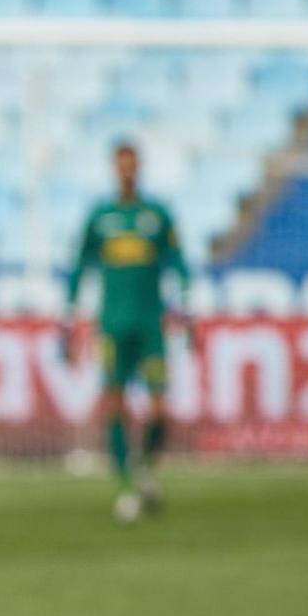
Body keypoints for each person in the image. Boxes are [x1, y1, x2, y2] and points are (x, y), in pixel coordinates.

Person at [60, 140, 190, 523]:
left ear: (140, 167)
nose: (127, 171)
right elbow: (80, 266)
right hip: (114, 325)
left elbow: (179, 264)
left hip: (151, 326)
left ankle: (143, 469)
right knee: (113, 402)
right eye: (121, 165)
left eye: (132, 165)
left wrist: (185, 309)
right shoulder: (101, 217)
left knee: (159, 409)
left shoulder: (157, 216)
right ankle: (128, 484)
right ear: (114, 169)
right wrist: (70, 319)